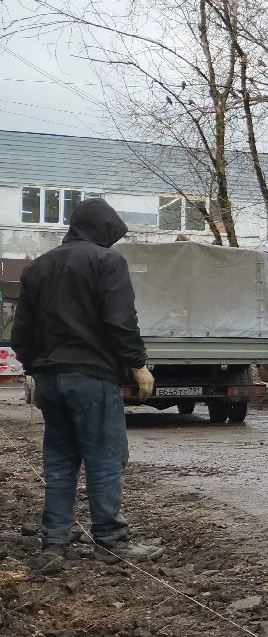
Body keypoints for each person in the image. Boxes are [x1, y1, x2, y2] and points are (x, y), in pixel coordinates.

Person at [12, 199, 163, 560]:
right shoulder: (107, 261)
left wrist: (35, 368)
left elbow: (21, 331)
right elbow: (120, 320)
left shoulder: (38, 267)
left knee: (60, 459)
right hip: (92, 377)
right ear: (104, 229)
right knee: (105, 458)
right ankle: (111, 541)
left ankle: (54, 541)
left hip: (49, 378)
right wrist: (137, 364)